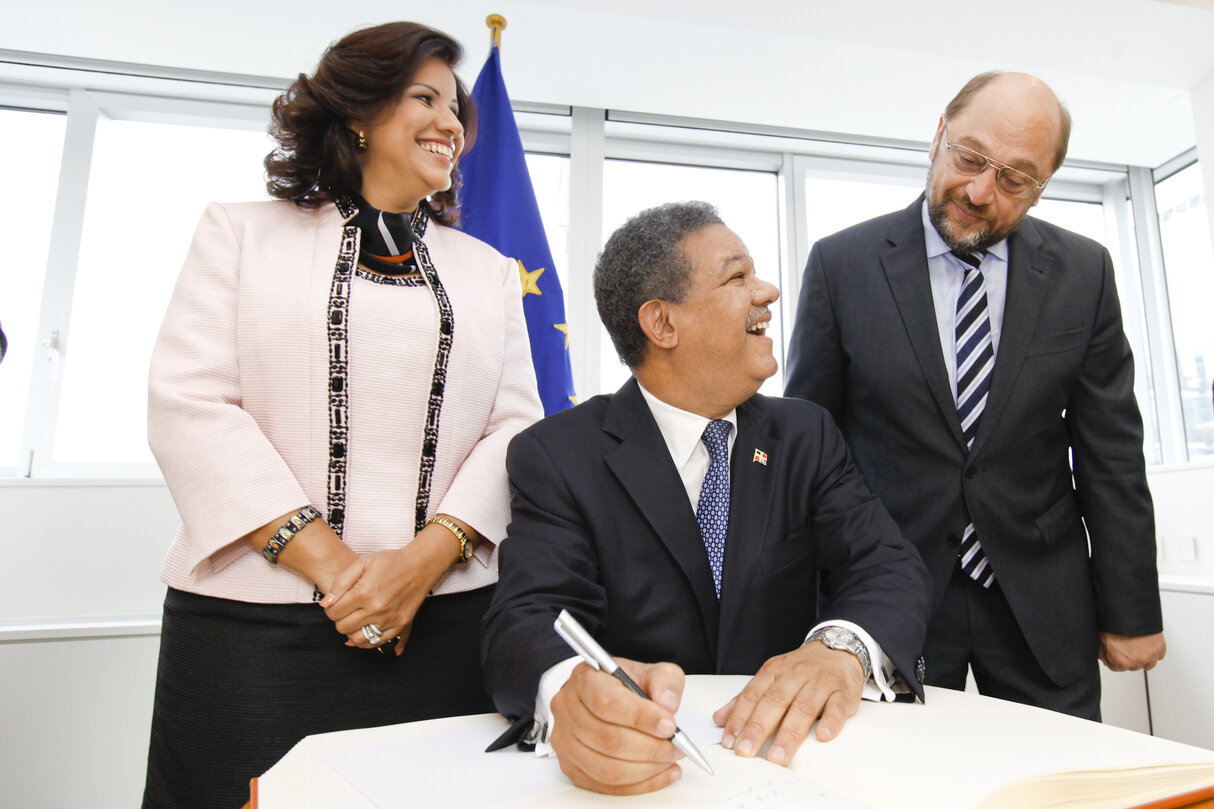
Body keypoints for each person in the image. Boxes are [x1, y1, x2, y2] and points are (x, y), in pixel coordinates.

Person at [142, 22, 542, 809]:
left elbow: (516, 428)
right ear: (357, 112)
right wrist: (340, 573)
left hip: (449, 621)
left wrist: (422, 563)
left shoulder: (488, 271)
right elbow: (189, 402)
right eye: (423, 97)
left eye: (456, 106)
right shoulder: (240, 232)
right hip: (254, 630)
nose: (450, 123)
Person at [482, 201, 931, 795]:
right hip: (647, 780)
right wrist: (570, 694)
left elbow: (886, 564)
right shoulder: (557, 454)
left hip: (793, 771)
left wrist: (838, 650)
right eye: (737, 276)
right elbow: (528, 619)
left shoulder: (806, 436)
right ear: (662, 324)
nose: (767, 291)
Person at [785, 71, 1166, 721]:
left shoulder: (1086, 274)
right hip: (889, 591)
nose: (981, 191)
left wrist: (1132, 609)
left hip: (1042, 603)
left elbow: (1111, 454)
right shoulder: (841, 265)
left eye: (1016, 178)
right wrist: (800, 606)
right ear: (938, 136)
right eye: (970, 157)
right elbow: (810, 451)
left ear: (1042, 186)